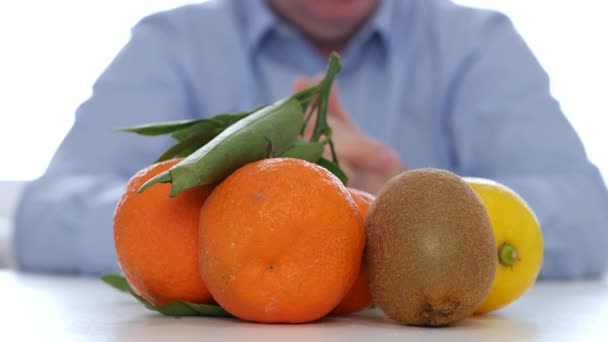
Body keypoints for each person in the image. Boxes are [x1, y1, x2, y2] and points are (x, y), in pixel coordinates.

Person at [14, 0, 608, 279]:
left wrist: (394, 213)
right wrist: (234, 210)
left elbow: (589, 216)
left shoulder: (476, 43)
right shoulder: (172, 43)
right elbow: (43, 218)